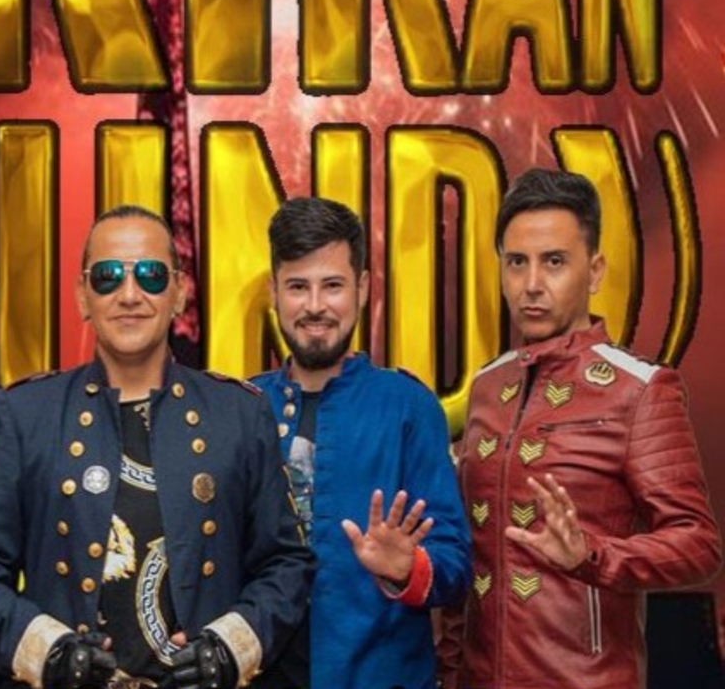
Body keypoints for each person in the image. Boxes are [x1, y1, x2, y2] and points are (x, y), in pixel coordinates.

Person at [0, 205, 312, 689]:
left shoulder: (238, 413)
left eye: (150, 276)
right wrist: (47, 652)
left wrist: (232, 647)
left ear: (179, 293)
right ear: (82, 296)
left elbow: (286, 563)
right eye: (107, 277)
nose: (129, 294)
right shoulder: (25, 414)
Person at [438, 168, 722, 689]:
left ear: (594, 272)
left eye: (554, 262)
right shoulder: (487, 385)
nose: (531, 284)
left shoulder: (640, 389)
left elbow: (699, 547)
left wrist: (593, 555)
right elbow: (472, 557)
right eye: (516, 262)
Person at [250, 197, 471, 689]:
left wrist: (405, 568)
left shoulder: (408, 407)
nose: (315, 306)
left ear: (364, 288)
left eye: (332, 285)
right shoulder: (242, 407)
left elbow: (455, 566)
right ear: (274, 292)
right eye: (297, 286)